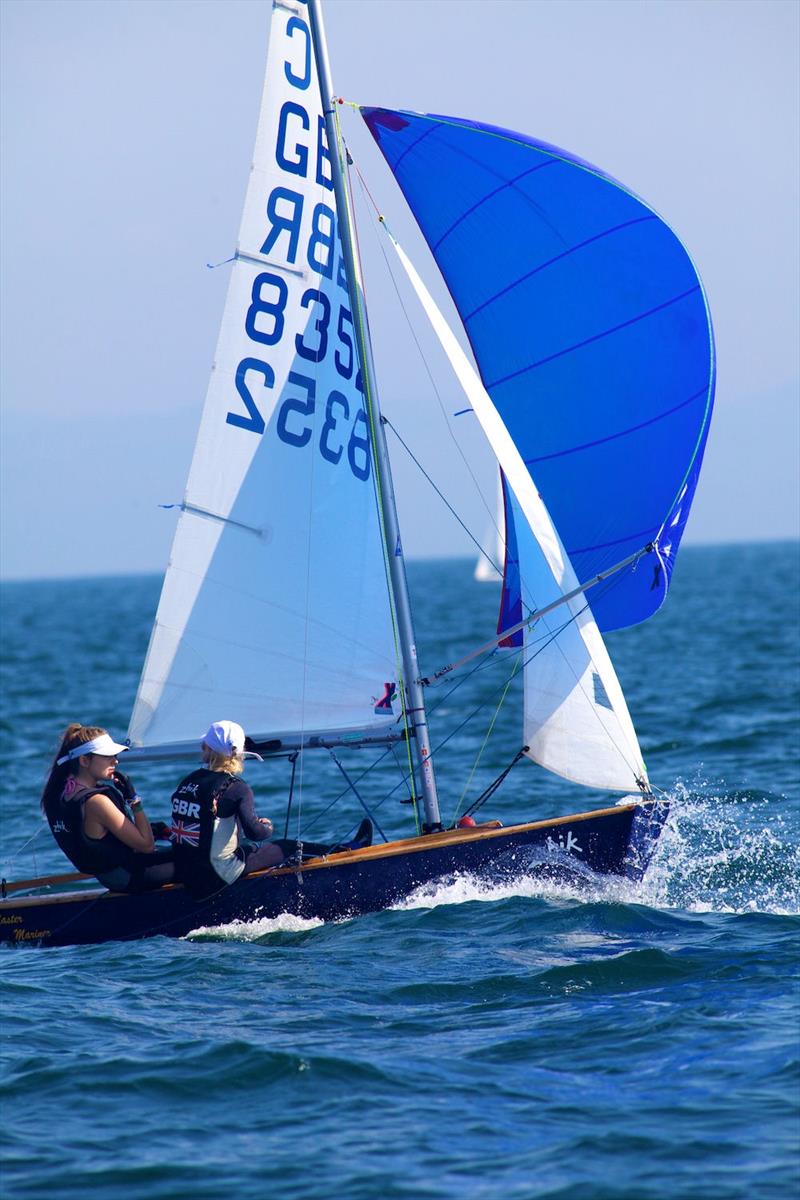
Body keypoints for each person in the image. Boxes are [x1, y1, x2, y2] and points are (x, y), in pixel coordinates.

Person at [170, 720, 372, 899]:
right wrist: (267, 827)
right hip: (217, 876)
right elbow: (255, 833)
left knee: (249, 850)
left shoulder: (188, 781)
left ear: (208, 749)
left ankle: (344, 848)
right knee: (287, 847)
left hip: (188, 872)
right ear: (240, 753)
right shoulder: (236, 788)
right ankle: (350, 849)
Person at [41, 724, 174, 892]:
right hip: (127, 876)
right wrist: (134, 800)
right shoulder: (97, 802)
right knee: (199, 859)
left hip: (111, 876)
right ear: (84, 760)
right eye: (107, 756)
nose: (115, 761)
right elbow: (146, 846)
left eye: (115, 755)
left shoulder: (62, 794)